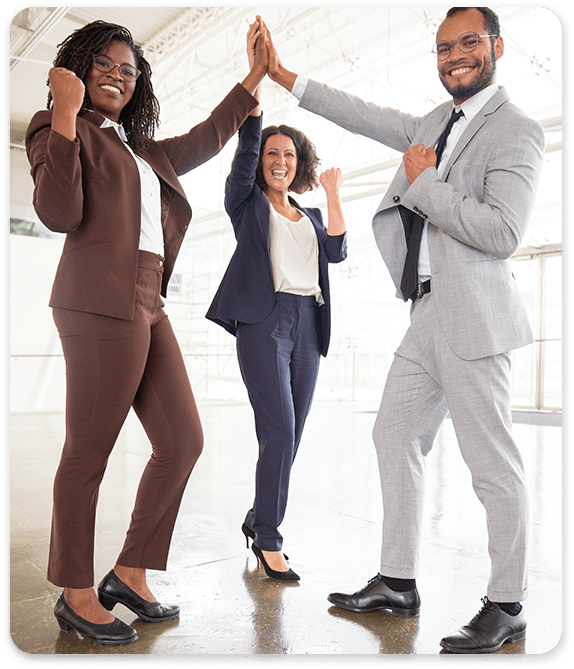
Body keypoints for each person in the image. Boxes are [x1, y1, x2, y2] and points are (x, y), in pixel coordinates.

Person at [262, 5, 544, 652]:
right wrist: (285, 77)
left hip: (475, 314)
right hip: (426, 311)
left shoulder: (516, 130)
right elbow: (363, 114)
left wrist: (426, 182)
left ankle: (507, 604)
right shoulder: (437, 121)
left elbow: (502, 232)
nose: (455, 56)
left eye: (468, 43)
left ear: (496, 47)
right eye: (444, 48)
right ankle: (397, 580)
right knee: (394, 435)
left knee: (491, 464)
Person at [25, 19, 267, 645]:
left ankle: (129, 573)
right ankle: (76, 592)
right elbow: (58, 212)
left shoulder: (144, 152)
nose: (117, 75)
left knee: (182, 440)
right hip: (97, 300)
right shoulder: (60, 128)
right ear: (79, 68)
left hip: (147, 298)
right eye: (104, 63)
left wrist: (253, 78)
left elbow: (208, 137)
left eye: (129, 70)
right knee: (88, 452)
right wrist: (64, 111)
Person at [206, 28, 347, 582]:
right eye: (272, 153)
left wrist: (332, 194)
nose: (280, 161)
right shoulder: (247, 206)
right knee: (279, 431)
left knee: (294, 433)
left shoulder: (310, 216)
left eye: (289, 154)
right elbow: (244, 157)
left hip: (309, 323)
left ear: (300, 163)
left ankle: (258, 517)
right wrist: (258, 83)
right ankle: (269, 539)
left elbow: (337, 251)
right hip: (264, 322)